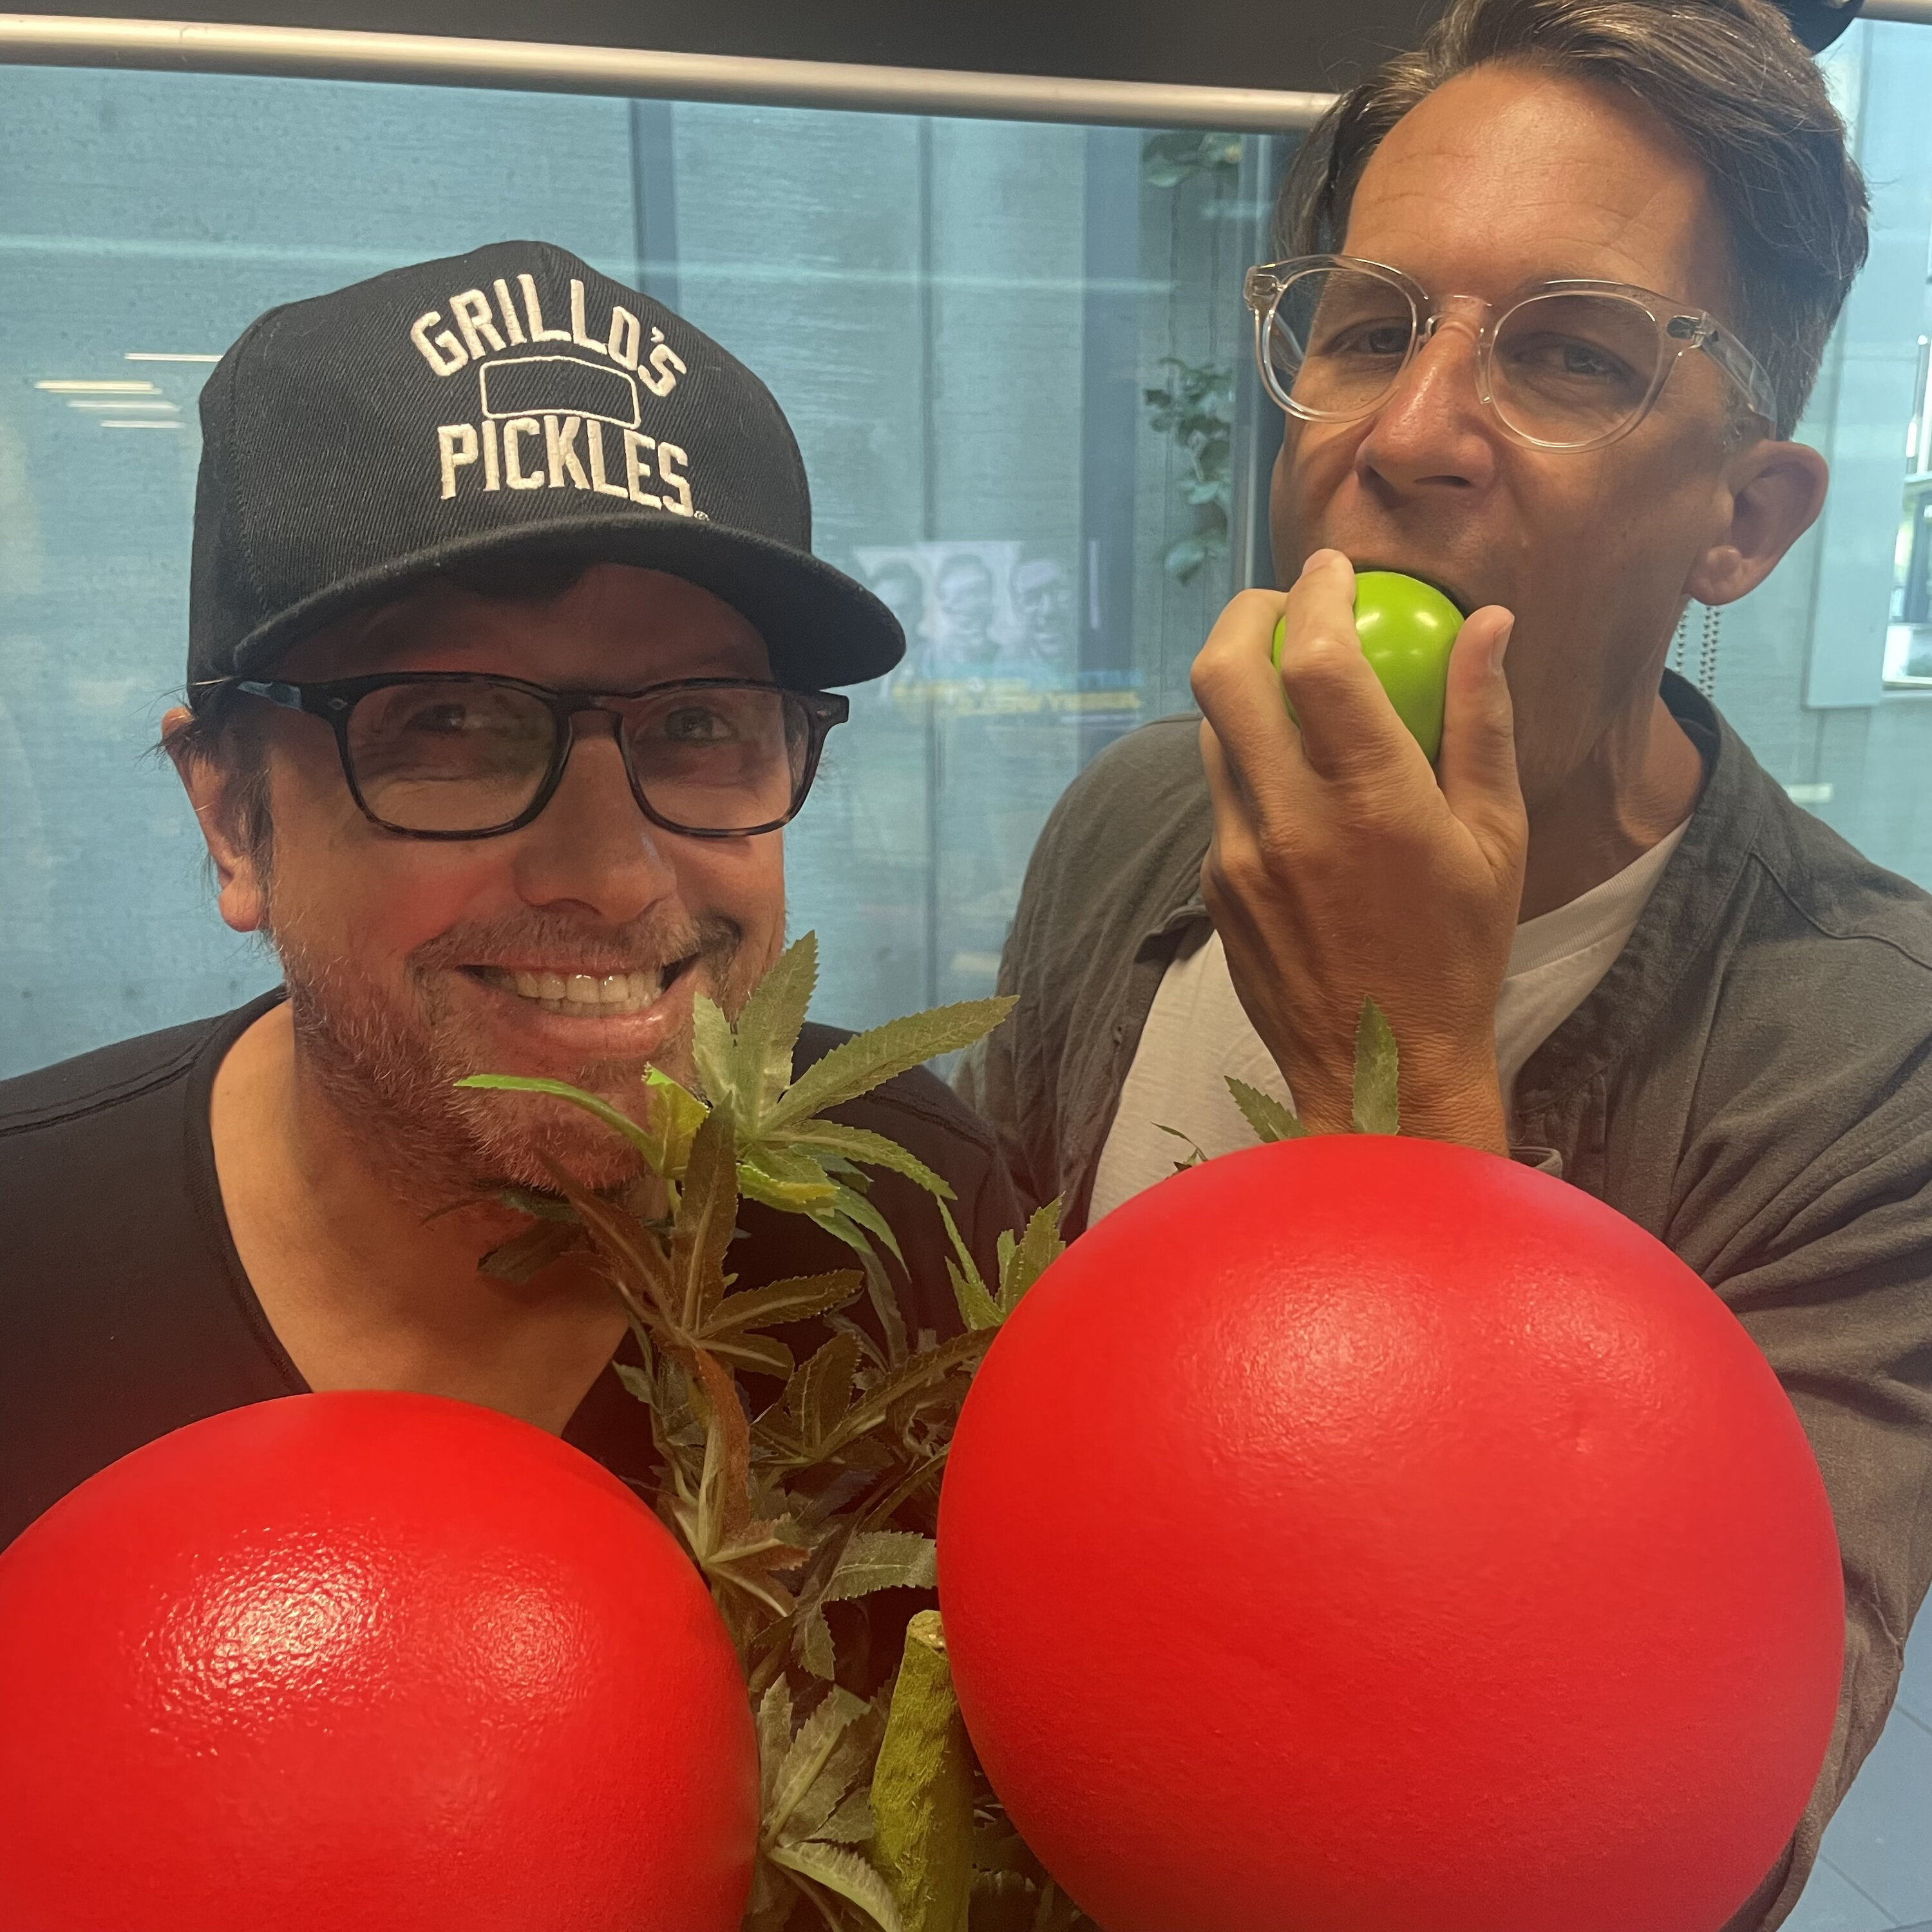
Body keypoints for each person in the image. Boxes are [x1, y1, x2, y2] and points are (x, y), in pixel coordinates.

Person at [956, 1, 1931, 1923]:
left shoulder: (1872, 1060)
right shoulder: (1144, 822)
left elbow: (1695, 1845)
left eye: (1571, 353)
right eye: (1370, 327)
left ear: (1743, 520)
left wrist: (1398, 1074)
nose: (1408, 438)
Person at [0, 241, 1019, 1552]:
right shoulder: (32, 1270)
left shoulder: (918, 1217)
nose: (611, 878)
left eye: (699, 720)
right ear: (231, 816)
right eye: (447, 722)